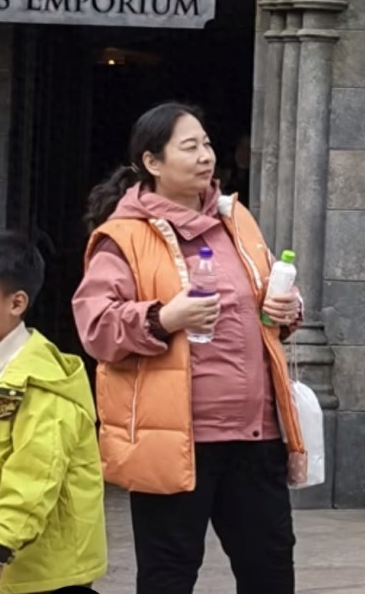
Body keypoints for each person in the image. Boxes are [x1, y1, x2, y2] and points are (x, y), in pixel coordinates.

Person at [72, 103, 305, 594]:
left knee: (270, 569)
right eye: (189, 147)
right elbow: (96, 327)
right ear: (152, 162)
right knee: (169, 576)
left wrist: (285, 309)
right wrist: (163, 317)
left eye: (207, 144)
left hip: (255, 435)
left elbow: (264, 300)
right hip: (174, 440)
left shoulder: (236, 220)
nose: (205, 156)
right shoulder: (124, 236)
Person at [0, 232, 106, 592]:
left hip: (44, 574)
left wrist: (0, 547)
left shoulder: (43, 383)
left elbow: (35, 477)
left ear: (17, 303)